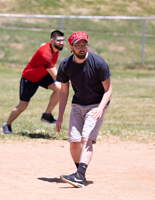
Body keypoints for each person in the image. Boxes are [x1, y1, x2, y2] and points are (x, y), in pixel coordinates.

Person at [56, 32, 112, 188]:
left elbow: (108, 90)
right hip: (78, 105)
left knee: (86, 138)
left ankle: (79, 176)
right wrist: (60, 116)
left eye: (84, 45)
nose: (82, 48)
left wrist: (101, 108)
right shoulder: (66, 65)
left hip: (96, 105)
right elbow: (64, 92)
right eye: (78, 45)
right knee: (74, 142)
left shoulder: (98, 63)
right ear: (71, 47)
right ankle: (79, 173)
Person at [1, 30, 65, 134]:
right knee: (23, 106)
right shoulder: (46, 54)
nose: (61, 43)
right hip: (30, 78)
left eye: (63, 40)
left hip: (43, 74)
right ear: (52, 41)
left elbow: (43, 44)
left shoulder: (54, 47)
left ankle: (47, 115)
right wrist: (72, 80)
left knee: (59, 88)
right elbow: (55, 75)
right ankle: (6, 125)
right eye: (59, 40)